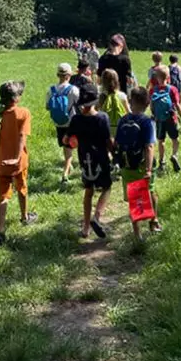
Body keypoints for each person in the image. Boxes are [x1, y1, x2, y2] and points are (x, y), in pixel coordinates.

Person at [0, 81, 37, 246]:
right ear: (17, 98)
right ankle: (24, 217)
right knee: (22, 188)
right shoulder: (24, 113)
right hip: (18, 161)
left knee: (3, 196)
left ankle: (0, 231)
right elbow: (22, 136)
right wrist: (18, 156)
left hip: (2, 161)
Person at [65, 83, 114, 239]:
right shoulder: (102, 118)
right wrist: (115, 152)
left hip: (85, 160)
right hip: (101, 159)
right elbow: (108, 141)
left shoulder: (76, 119)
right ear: (96, 101)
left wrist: (71, 140)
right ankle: (97, 216)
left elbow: (67, 139)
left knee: (88, 191)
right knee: (106, 188)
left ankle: (86, 228)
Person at [116, 87, 160, 239]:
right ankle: (154, 221)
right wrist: (148, 169)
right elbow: (149, 146)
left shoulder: (123, 120)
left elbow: (117, 143)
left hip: (127, 165)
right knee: (151, 190)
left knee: (134, 196)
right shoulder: (147, 122)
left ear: (130, 101)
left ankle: (137, 233)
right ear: (147, 103)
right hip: (142, 165)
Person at [149, 65, 181, 173]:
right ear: (168, 77)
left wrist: (154, 114)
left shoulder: (153, 90)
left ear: (157, 78)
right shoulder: (172, 89)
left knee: (161, 141)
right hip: (171, 118)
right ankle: (174, 155)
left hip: (159, 120)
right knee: (175, 139)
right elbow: (178, 105)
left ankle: (162, 162)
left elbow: (151, 105)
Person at [46, 62, 80, 183]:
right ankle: (65, 174)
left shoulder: (51, 90)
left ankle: (68, 166)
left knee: (66, 146)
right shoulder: (73, 90)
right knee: (71, 147)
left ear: (58, 75)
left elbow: (47, 107)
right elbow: (80, 105)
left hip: (58, 123)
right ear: (69, 75)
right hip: (72, 122)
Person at [98, 68, 129, 137]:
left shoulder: (101, 96)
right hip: (120, 127)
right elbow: (128, 112)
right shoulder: (122, 96)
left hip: (106, 128)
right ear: (117, 80)